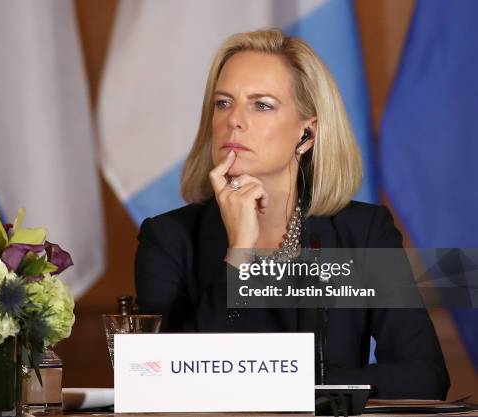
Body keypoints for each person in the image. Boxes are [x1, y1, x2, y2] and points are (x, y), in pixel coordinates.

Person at [134, 28, 449, 399]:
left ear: (307, 133)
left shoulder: (362, 232)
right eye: (223, 103)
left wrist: (287, 385)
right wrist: (239, 253)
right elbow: (164, 381)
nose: (234, 120)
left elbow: (424, 375)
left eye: (261, 104)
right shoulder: (168, 238)